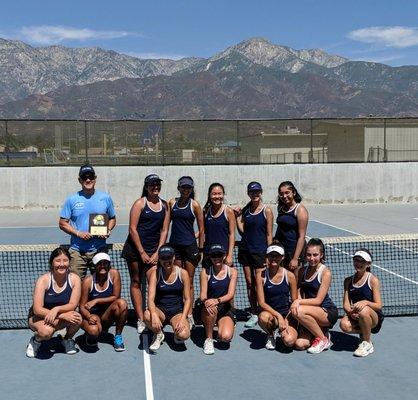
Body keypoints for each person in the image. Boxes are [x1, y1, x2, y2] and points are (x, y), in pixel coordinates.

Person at [121, 174, 170, 334]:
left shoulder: (164, 205)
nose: (155, 187)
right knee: (136, 281)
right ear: (146, 186)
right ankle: (141, 319)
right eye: (152, 184)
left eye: (157, 184)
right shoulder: (139, 204)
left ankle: (153, 314)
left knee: (153, 282)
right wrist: (141, 252)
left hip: (154, 251)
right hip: (135, 251)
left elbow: (164, 230)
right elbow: (132, 229)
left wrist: (158, 252)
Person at [59, 164, 116, 278]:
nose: (88, 180)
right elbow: (62, 223)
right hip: (77, 252)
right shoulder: (72, 200)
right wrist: (79, 233)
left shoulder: (105, 198)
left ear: (95, 178)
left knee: (101, 284)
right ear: (79, 180)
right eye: (84, 177)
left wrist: (107, 230)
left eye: (91, 177)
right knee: (76, 286)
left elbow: (112, 219)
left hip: (99, 249)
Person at [26, 247, 82, 358]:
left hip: (59, 316)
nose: (61, 264)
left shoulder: (75, 279)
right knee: (46, 332)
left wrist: (56, 310)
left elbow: (73, 305)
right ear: (52, 263)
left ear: (69, 262)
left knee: (78, 319)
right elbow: (37, 309)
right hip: (38, 317)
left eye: (65, 260)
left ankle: (66, 339)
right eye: (58, 260)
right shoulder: (43, 280)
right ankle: (36, 340)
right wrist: (61, 315)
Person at [168, 176, 204, 330]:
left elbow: (202, 228)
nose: (185, 190)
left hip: (190, 247)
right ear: (179, 188)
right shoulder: (172, 203)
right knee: (177, 279)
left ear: (191, 189)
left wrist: (200, 248)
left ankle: (189, 314)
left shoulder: (195, 205)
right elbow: (165, 224)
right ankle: (178, 310)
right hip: (175, 247)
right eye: (183, 187)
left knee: (189, 279)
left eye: (188, 188)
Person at [235, 181, 273, 328]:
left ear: (261, 192)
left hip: (260, 252)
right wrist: (238, 219)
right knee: (250, 283)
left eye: (257, 192)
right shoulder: (246, 210)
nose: (255, 194)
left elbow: (269, 234)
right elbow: (243, 232)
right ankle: (254, 311)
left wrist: (269, 254)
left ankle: (264, 309)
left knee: (260, 284)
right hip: (245, 251)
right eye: (252, 192)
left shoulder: (266, 211)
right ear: (248, 193)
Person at [291, 238, 338, 354]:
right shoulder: (302, 271)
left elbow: (318, 300)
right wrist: (299, 298)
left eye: (315, 255)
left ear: (321, 255)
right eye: (308, 255)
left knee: (299, 311)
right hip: (309, 311)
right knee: (299, 344)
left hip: (326, 311)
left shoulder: (325, 273)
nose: (311, 258)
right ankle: (321, 331)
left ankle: (323, 339)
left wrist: (299, 302)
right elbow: (298, 289)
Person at [144, 245, 191, 352]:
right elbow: (150, 299)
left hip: (177, 312)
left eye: (169, 258)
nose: (167, 261)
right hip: (160, 310)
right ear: (159, 260)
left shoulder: (183, 273)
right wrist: (154, 315)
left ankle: (176, 333)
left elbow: (188, 299)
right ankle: (159, 334)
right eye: (163, 259)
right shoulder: (155, 274)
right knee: (147, 315)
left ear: (174, 257)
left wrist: (183, 318)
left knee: (184, 335)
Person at [79, 252, 128, 352]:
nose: (102, 266)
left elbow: (116, 297)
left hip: (107, 316)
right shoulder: (88, 281)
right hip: (93, 315)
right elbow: (82, 306)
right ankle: (91, 334)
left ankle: (118, 336)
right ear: (94, 265)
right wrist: (89, 317)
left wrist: (96, 300)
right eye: (99, 264)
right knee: (93, 332)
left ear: (109, 265)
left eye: (105, 263)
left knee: (122, 303)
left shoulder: (114, 274)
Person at [340, 249, 383, 357]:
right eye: (356, 260)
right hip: (356, 314)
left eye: (362, 261)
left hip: (373, 317)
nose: (358, 263)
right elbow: (345, 303)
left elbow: (378, 305)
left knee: (364, 311)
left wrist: (365, 302)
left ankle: (367, 343)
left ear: (368, 264)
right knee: (343, 325)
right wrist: (350, 313)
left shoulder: (373, 280)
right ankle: (364, 332)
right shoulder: (348, 280)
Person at [256, 243, 298, 350]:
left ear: (283, 257)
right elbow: (261, 303)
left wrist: (287, 319)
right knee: (262, 318)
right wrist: (279, 316)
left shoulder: (290, 276)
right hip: (270, 314)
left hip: (286, 314)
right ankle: (270, 334)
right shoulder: (260, 276)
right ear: (267, 257)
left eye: (277, 255)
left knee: (289, 341)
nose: (274, 258)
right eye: (271, 255)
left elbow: (294, 301)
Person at [200, 244, 238, 355]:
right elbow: (203, 295)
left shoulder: (232, 272)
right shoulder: (205, 272)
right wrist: (208, 302)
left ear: (224, 256)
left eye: (219, 255)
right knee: (211, 310)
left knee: (225, 337)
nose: (217, 258)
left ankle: (220, 325)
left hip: (225, 309)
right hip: (209, 308)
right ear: (210, 257)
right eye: (213, 255)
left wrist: (217, 300)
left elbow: (230, 294)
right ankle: (209, 339)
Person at [274, 181, 308, 272]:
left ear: (294, 192)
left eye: (287, 193)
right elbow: (280, 228)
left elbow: (301, 236)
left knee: (295, 281)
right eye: (281, 194)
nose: (284, 196)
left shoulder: (300, 210)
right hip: (282, 250)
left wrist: (295, 258)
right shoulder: (281, 208)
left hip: (294, 251)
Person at [203, 183, 235, 267]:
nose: (217, 196)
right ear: (209, 195)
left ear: (223, 194)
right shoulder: (206, 211)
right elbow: (203, 231)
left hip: (223, 255)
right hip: (209, 254)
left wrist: (230, 255)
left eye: (219, 193)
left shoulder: (228, 211)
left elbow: (232, 234)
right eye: (214, 194)